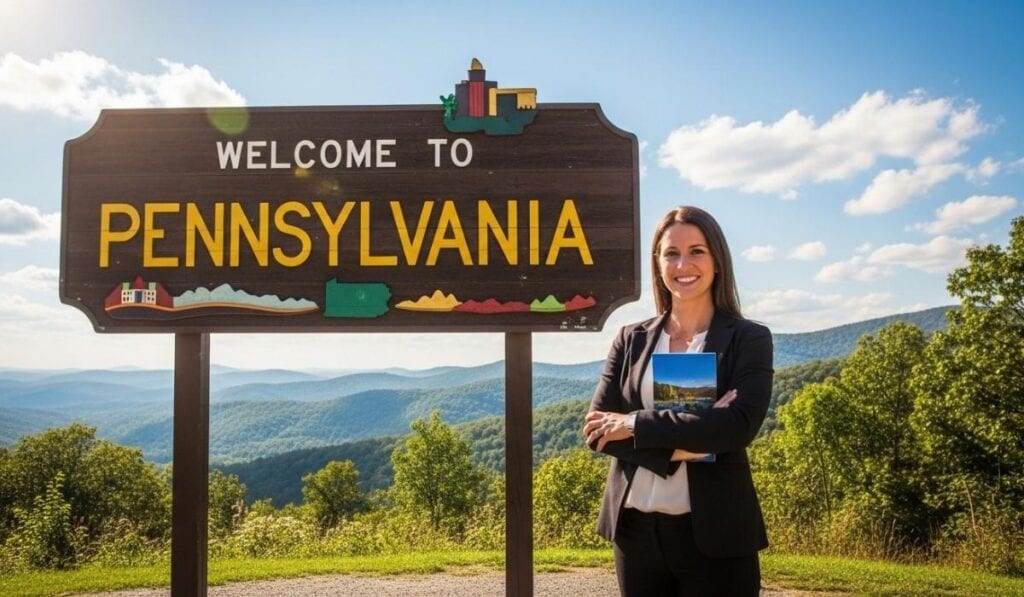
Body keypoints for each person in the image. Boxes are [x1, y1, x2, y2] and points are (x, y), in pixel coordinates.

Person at [583, 205, 773, 596]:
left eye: (696, 251)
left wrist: (634, 424)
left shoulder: (748, 339)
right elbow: (597, 433)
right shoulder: (630, 339)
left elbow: (736, 429)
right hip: (634, 532)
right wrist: (696, 443)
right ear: (658, 263)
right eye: (671, 253)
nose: (683, 263)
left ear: (717, 259)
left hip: (717, 537)